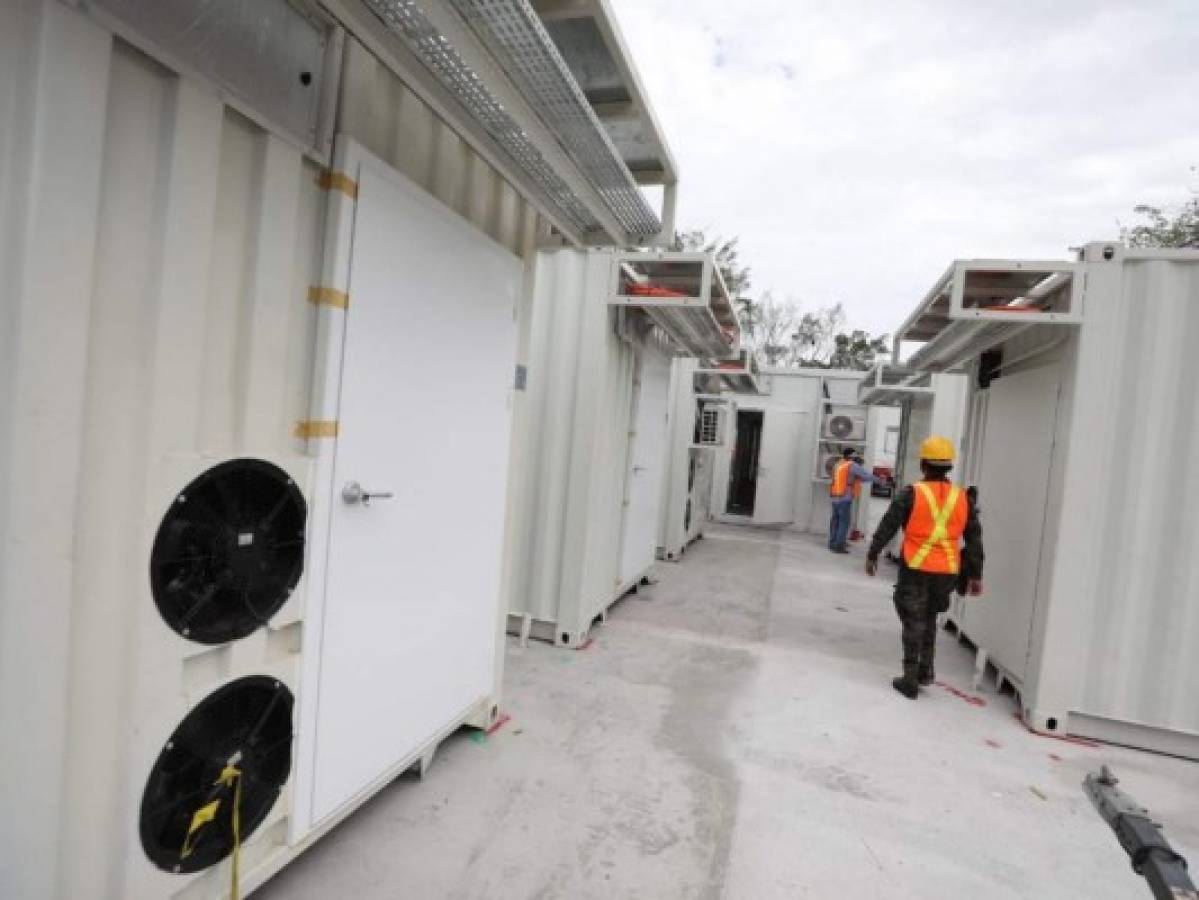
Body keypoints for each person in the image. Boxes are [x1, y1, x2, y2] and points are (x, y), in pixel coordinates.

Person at [864, 436, 984, 699]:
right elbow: (974, 537)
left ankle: (910, 679)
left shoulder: (912, 493)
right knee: (929, 618)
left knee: (912, 618)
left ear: (923, 464)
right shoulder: (963, 498)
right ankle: (925, 670)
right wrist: (976, 574)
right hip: (947, 572)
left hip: (917, 567)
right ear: (948, 466)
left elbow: (889, 524)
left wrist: (873, 553)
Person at [828, 447, 876, 553]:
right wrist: (880, 480)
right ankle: (839, 546)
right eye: (855, 455)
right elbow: (866, 476)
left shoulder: (838, 464)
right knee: (844, 522)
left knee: (835, 521)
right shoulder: (852, 465)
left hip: (835, 496)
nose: (856, 457)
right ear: (850, 456)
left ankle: (832, 543)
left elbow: (850, 477)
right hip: (844, 498)